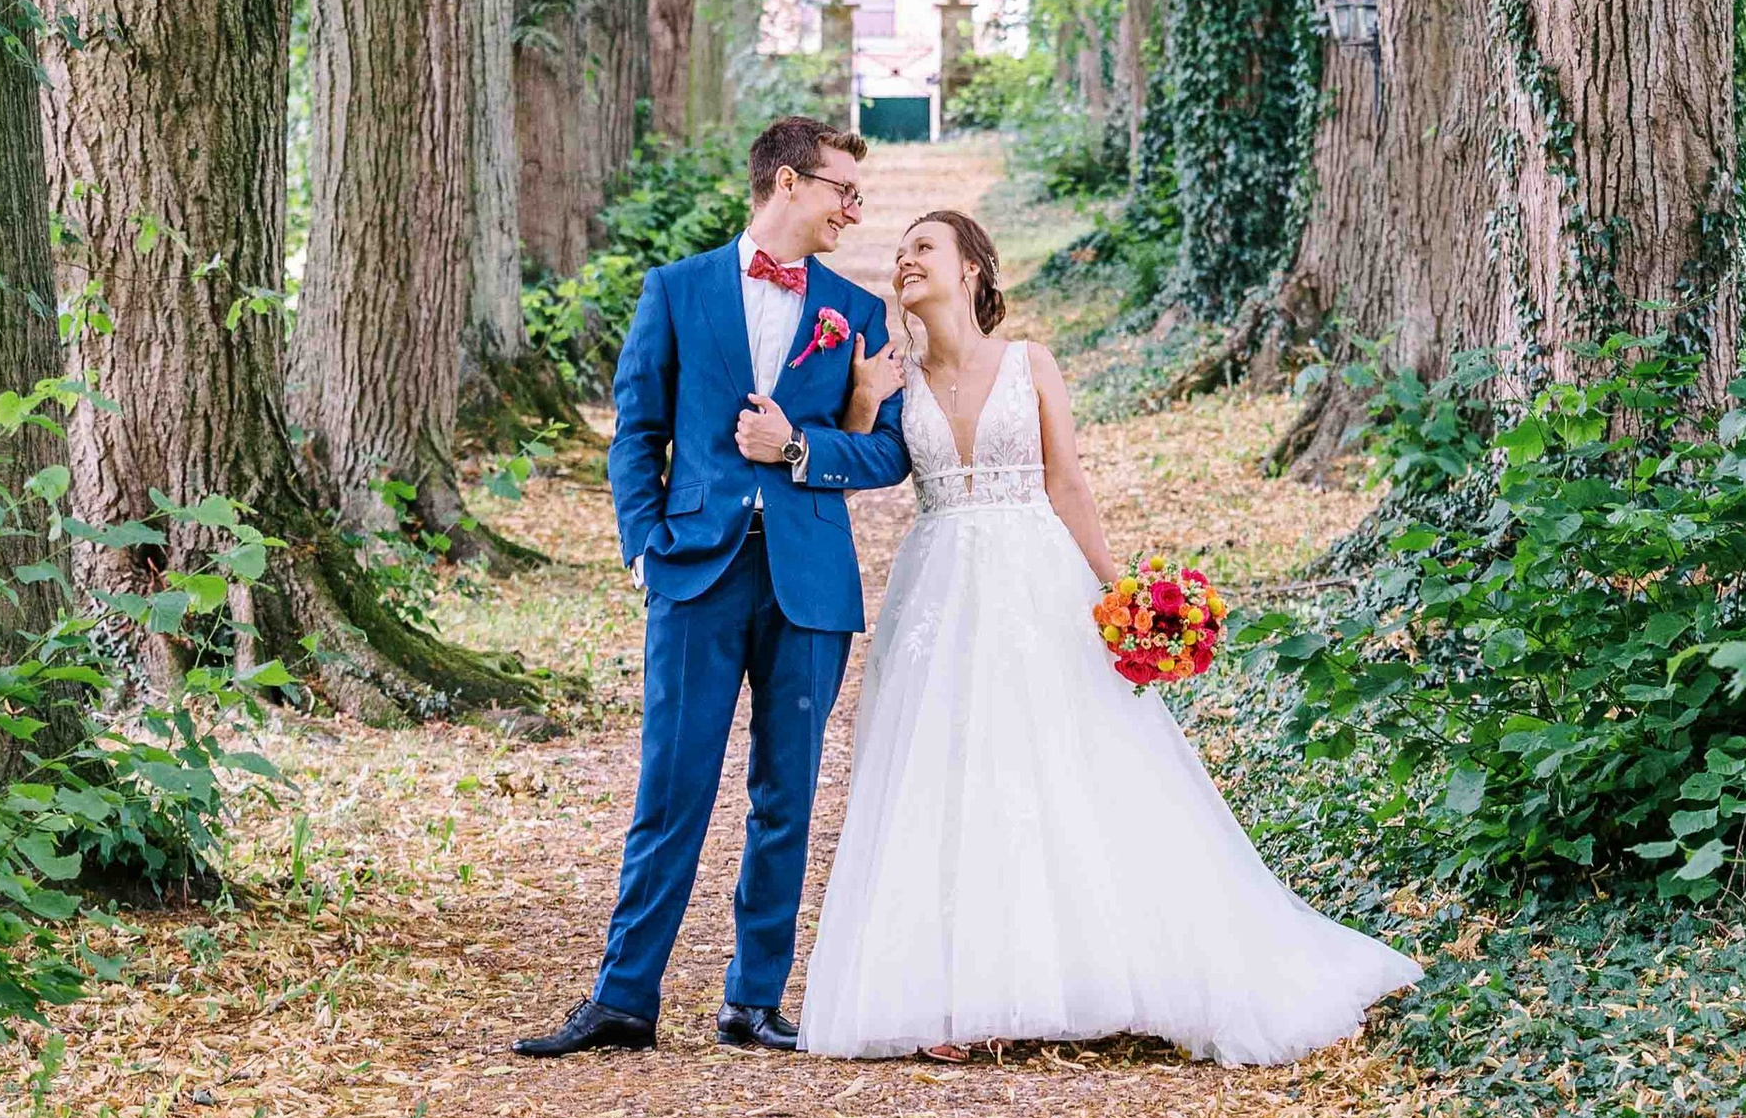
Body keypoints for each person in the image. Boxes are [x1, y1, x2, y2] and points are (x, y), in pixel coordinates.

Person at [796, 207, 1420, 1064]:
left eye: (924, 247)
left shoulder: (1031, 364)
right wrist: (866, 396)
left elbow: (1068, 484)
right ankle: (969, 990)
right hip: (939, 585)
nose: (905, 260)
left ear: (973, 268)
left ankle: (1114, 968)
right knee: (954, 771)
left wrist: (1116, 594)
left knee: (1068, 761)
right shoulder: (895, 377)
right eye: (899, 253)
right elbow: (864, 469)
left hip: (1035, 577)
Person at [515, 118, 910, 1057]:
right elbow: (634, 432)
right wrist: (646, 546)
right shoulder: (677, 291)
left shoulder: (855, 312)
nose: (853, 212)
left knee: (788, 795)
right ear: (786, 182)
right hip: (695, 572)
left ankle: (753, 999)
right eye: (840, 192)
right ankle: (624, 997)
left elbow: (890, 450)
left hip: (808, 584)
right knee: (673, 785)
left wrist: (803, 447)